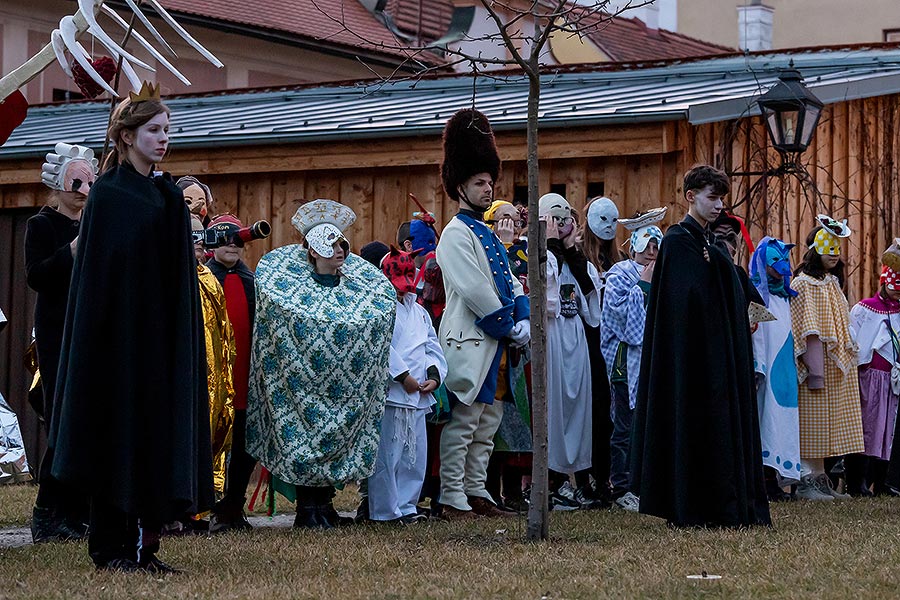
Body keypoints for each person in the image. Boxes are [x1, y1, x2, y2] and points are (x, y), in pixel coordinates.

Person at [49, 82, 214, 572]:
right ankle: (112, 548)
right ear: (125, 136)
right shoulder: (110, 197)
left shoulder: (162, 194)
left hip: (157, 344)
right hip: (116, 344)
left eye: (167, 130)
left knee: (151, 440)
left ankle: (146, 547)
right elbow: (100, 279)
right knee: (115, 437)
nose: (163, 139)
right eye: (153, 130)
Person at [630, 165, 771, 528]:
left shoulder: (709, 241)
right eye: (712, 197)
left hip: (719, 356)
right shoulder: (678, 241)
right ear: (691, 196)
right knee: (692, 425)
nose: (719, 205)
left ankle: (724, 503)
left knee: (721, 427)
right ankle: (692, 505)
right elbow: (685, 301)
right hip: (691, 360)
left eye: (722, 198)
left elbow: (730, 292)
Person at [246, 199, 395, 528]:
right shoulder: (290, 291)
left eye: (342, 244)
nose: (339, 250)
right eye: (330, 245)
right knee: (303, 433)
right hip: (301, 385)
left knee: (335, 435)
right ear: (312, 250)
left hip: (343, 388)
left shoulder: (359, 290)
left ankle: (324, 505)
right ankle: (307, 508)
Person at [435, 108, 530, 520]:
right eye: (479, 182)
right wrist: (509, 324)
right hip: (474, 341)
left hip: (497, 342)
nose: (488, 189)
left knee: (488, 422)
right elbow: (475, 289)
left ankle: (476, 490)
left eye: (490, 182)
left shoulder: (487, 233)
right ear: (460, 185)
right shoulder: (455, 234)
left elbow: (510, 281)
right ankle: (451, 494)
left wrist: (523, 314)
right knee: (464, 422)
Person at [25, 142, 97, 542]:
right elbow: (37, 276)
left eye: (88, 181)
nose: (81, 189)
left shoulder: (94, 224)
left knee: (88, 422)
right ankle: (47, 512)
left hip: (91, 329)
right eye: (75, 180)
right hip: (58, 332)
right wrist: (71, 249)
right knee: (63, 421)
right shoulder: (42, 225)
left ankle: (78, 511)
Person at [367, 246, 447, 523]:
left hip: (418, 394)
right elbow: (381, 346)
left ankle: (408, 505)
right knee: (389, 455)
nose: (402, 291)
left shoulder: (421, 313)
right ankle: (385, 511)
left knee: (415, 455)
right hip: (393, 393)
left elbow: (431, 346)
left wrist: (434, 377)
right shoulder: (379, 309)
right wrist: (403, 376)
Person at [791, 215, 865, 500]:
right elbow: (805, 327)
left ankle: (821, 478)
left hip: (834, 362)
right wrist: (813, 366)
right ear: (815, 251)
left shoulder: (832, 283)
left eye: (837, 249)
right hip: (815, 361)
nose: (835, 255)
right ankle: (807, 479)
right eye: (828, 249)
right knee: (812, 418)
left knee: (827, 420)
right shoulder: (803, 284)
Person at [540, 193, 604, 510]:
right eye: (556, 218)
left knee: (579, 407)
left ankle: (579, 478)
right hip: (551, 338)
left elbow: (591, 305)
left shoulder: (579, 261)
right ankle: (554, 482)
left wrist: (570, 251)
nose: (563, 224)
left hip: (574, 336)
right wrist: (550, 246)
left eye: (566, 218)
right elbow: (547, 294)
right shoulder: (539, 257)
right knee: (554, 409)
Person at [599, 209, 665, 512]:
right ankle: (622, 485)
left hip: (653, 363)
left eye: (657, 245)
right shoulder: (618, 276)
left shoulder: (665, 276)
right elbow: (618, 317)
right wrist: (643, 286)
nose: (652, 251)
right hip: (626, 366)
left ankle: (646, 483)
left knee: (648, 426)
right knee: (625, 427)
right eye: (647, 244)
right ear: (635, 245)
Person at [205, 214, 258, 532]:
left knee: (244, 445)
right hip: (216, 382)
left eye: (237, 239)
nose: (232, 245)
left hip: (246, 380)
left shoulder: (252, 282)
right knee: (214, 445)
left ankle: (234, 506)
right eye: (224, 239)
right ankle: (212, 508)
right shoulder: (204, 279)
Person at [483, 200, 532, 513]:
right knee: (493, 421)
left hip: (521, 346)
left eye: (515, 220)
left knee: (518, 421)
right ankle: (487, 489)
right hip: (496, 343)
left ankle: (514, 490)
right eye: (504, 219)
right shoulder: (489, 250)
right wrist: (503, 244)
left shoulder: (524, 251)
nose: (511, 225)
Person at [749, 237, 805, 501]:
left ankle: (777, 479)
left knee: (782, 422)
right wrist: (757, 365)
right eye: (774, 261)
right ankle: (764, 480)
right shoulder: (757, 295)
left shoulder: (784, 297)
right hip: (767, 371)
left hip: (784, 372)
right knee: (765, 422)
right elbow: (756, 334)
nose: (780, 266)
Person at [581, 196, 624, 503]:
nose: (608, 227)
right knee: (592, 410)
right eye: (602, 220)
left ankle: (607, 477)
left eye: (613, 220)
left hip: (614, 343)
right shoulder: (579, 256)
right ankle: (586, 478)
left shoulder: (620, 259)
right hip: (587, 341)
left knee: (611, 412)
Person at [847, 253, 900, 496]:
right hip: (869, 378)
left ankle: (883, 482)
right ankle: (857, 482)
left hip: (893, 382)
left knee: (889, 429)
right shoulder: (865, 310)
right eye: (894, 288)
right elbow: (854, 340)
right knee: (867, 428)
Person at [191, 216, 235, 502]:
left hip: (209, 378)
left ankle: (199, 505)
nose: (198, 242)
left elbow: (223, 332)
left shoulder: (209, 279)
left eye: (200, 235)